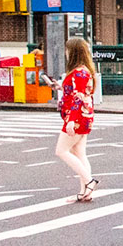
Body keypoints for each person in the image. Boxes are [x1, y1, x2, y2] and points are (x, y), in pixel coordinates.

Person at [53, 36, 99, 202]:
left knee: (61, 151)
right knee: (80, 153)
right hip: (85, 116)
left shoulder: (78, 73)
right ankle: (85, 191)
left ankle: (89, 182)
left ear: (73, 52)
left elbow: (77, 98)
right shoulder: (84, 71)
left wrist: (71, 120)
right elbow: (77, 93)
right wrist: (59, 87)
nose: (66, 53)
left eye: (68, 50)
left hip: (76, 117)